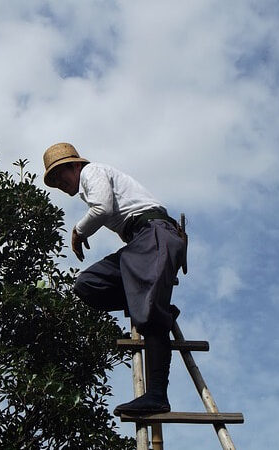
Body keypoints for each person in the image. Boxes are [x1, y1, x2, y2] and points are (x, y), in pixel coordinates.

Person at [42, 142, 187, 415]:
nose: (59, 182)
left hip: (153, 234)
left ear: (75, 165)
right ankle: (152, 305)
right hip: (140, 242)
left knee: (150, 315)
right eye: (53, 179)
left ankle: (156, 395)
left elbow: (102, 209)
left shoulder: (91, 172)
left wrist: (78, 231)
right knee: (87, 284)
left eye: (60, 173)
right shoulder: (90, 182)